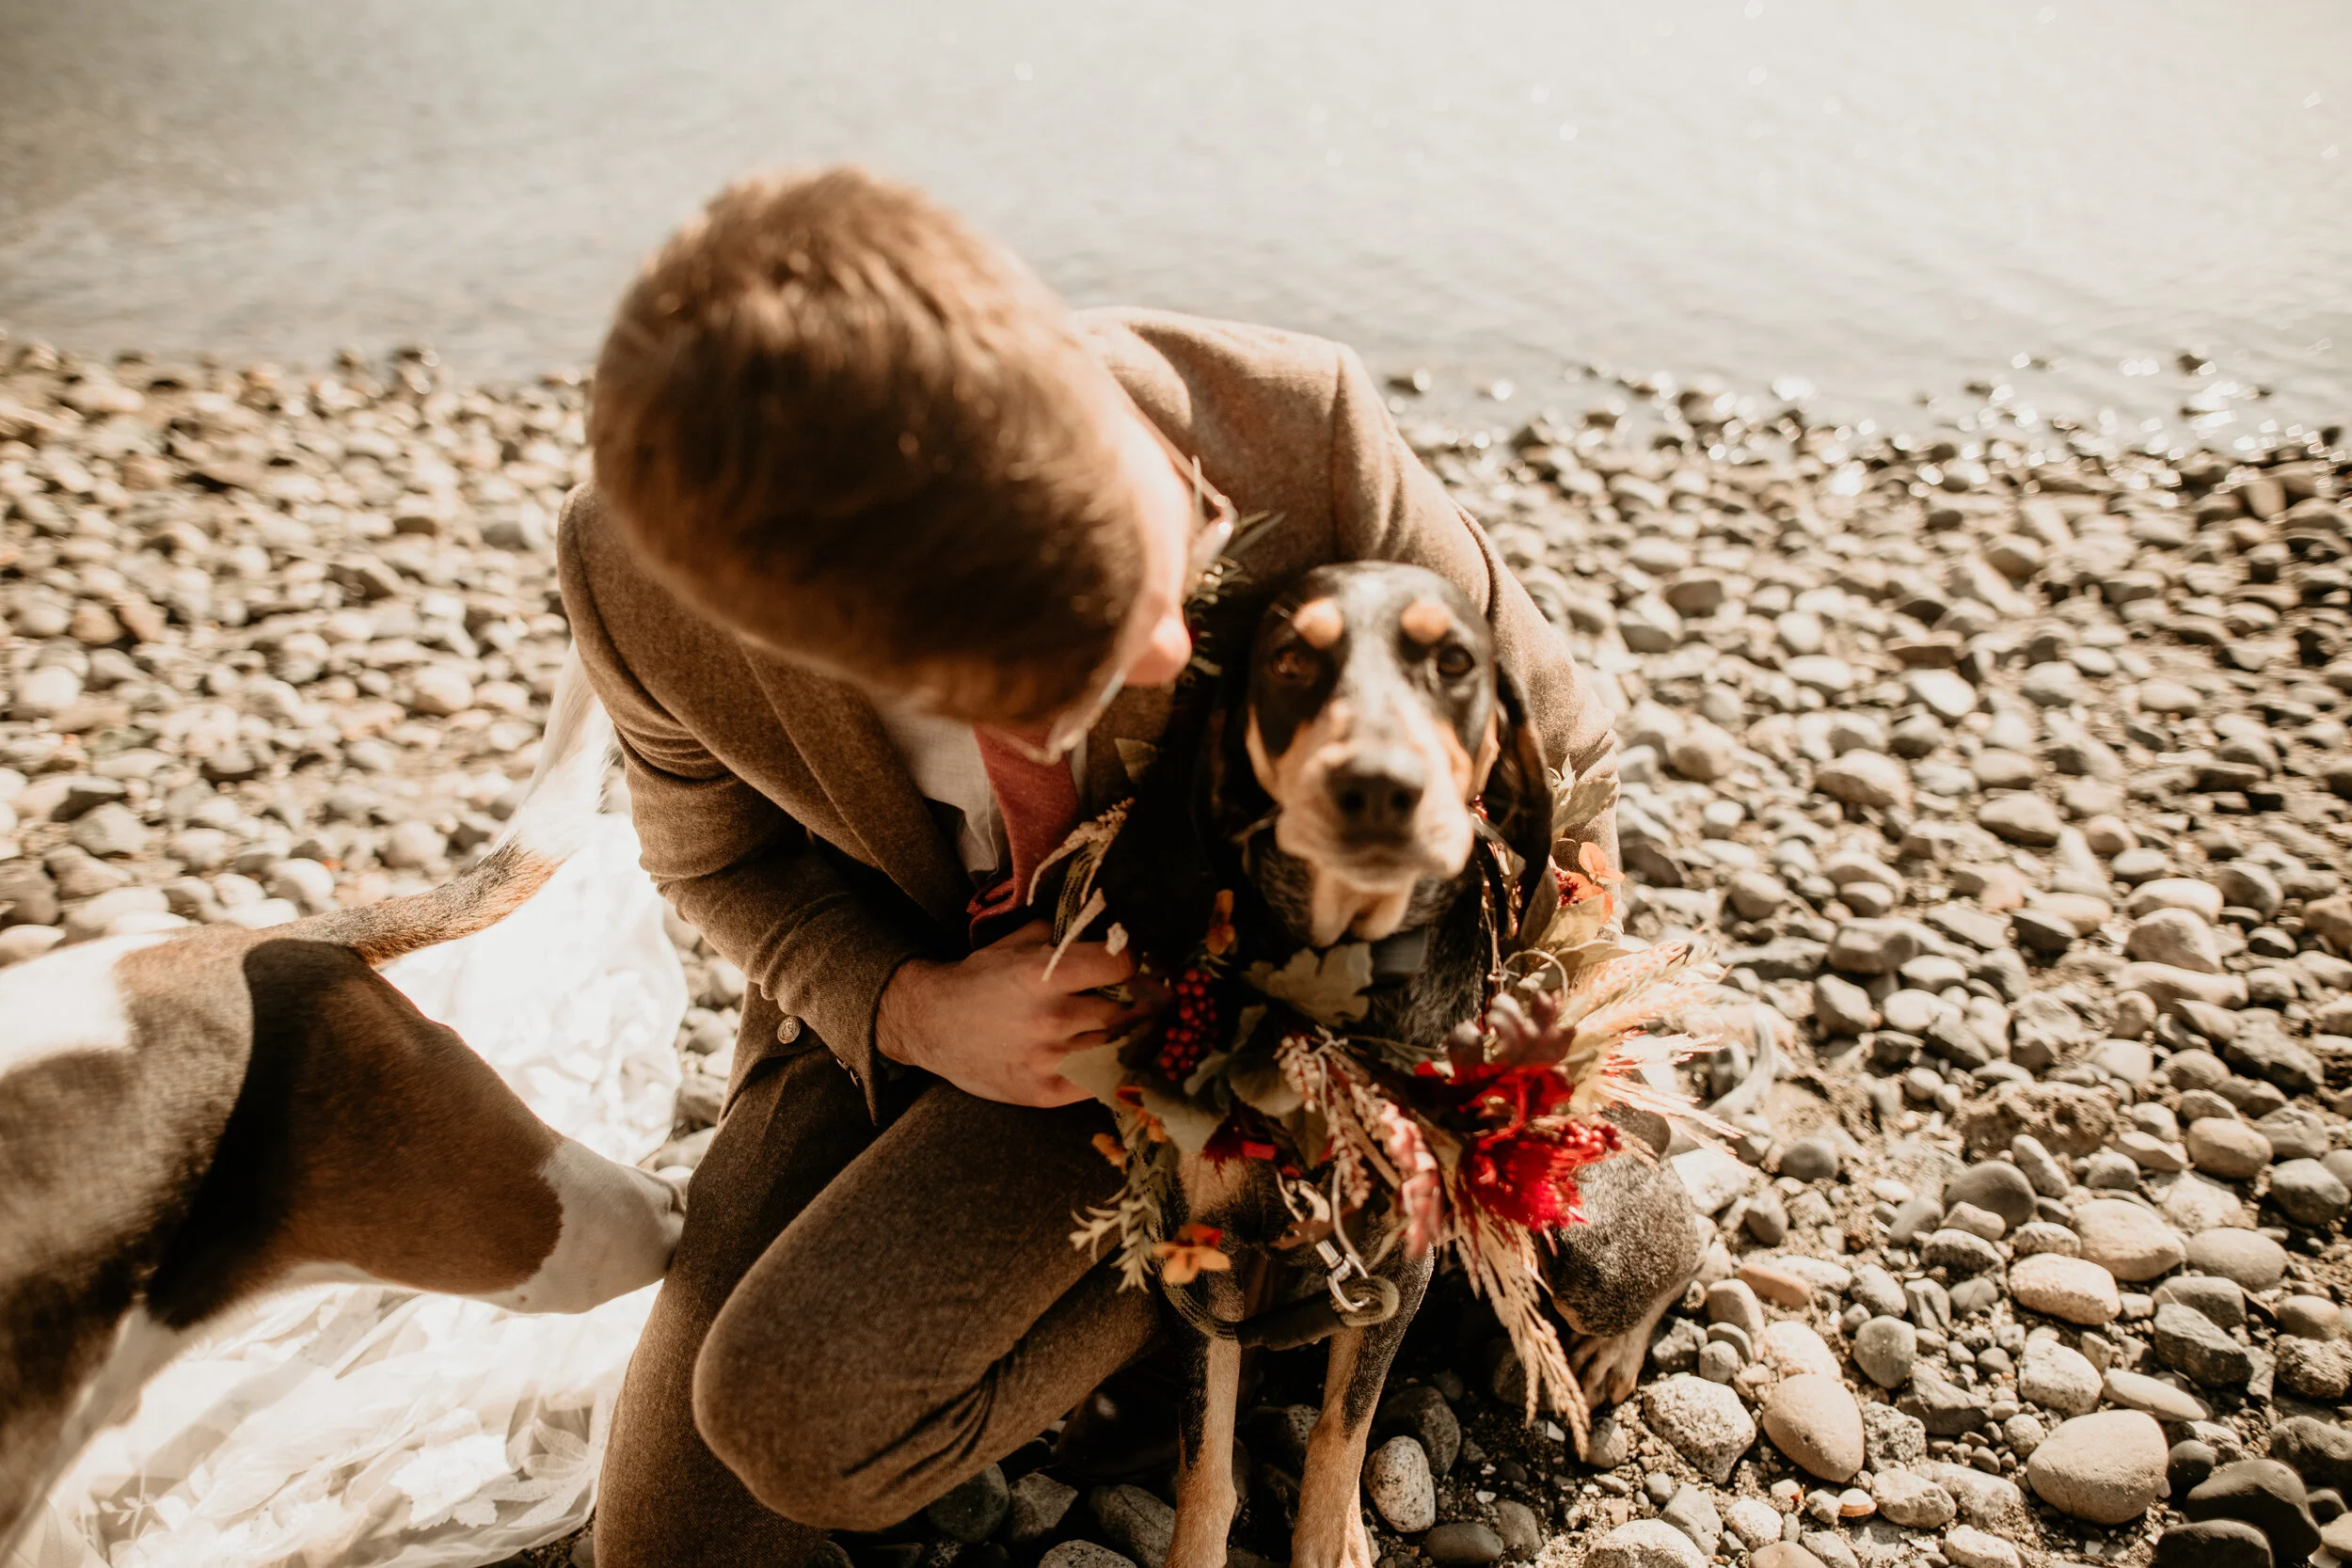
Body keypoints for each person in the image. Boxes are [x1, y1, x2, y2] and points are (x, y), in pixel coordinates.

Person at [557, 165, 1618, 1568]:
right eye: (1066, 684)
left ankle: (1237, 1280)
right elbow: (711, 864)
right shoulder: (639, 585)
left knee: (805, 1409)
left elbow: (1567, 758)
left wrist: (1508, 1078)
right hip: (944, 997)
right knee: (690, 1529)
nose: (1175, 658)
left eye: (1164, 569)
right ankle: (1197, 1297)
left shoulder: (1304, 431)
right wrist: (910, 1009)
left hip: (1264, 1010)